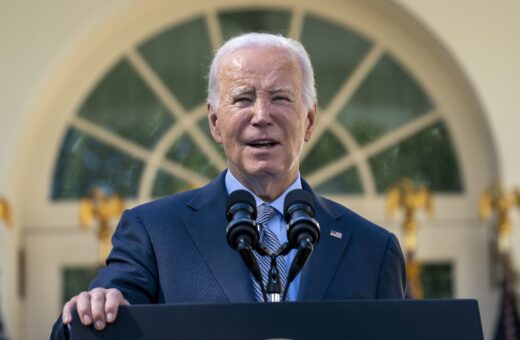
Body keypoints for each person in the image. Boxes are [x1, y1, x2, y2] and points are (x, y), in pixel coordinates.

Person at [51, 32, 406, 338]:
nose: (261, 115)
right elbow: (83, 329)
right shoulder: (153, 233)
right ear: (215, 122)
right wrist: (90, 310)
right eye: (242, 98)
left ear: (310, 121)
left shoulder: (373, 249)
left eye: (280, 97)